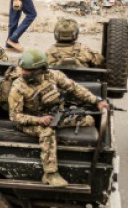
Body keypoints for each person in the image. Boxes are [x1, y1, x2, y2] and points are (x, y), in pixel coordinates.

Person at [8, 50, 109, 187]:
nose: (23, 72)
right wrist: (39, 120)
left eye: (27, 70)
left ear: (39, 70)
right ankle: (50, 174)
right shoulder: (18, 86)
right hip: (29, 121)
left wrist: (97, 101)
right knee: (47, 132)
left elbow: (74, 88)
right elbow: (15, 116)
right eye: (22, 69)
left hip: (54, 115)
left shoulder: (52, 76)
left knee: (88, 120)